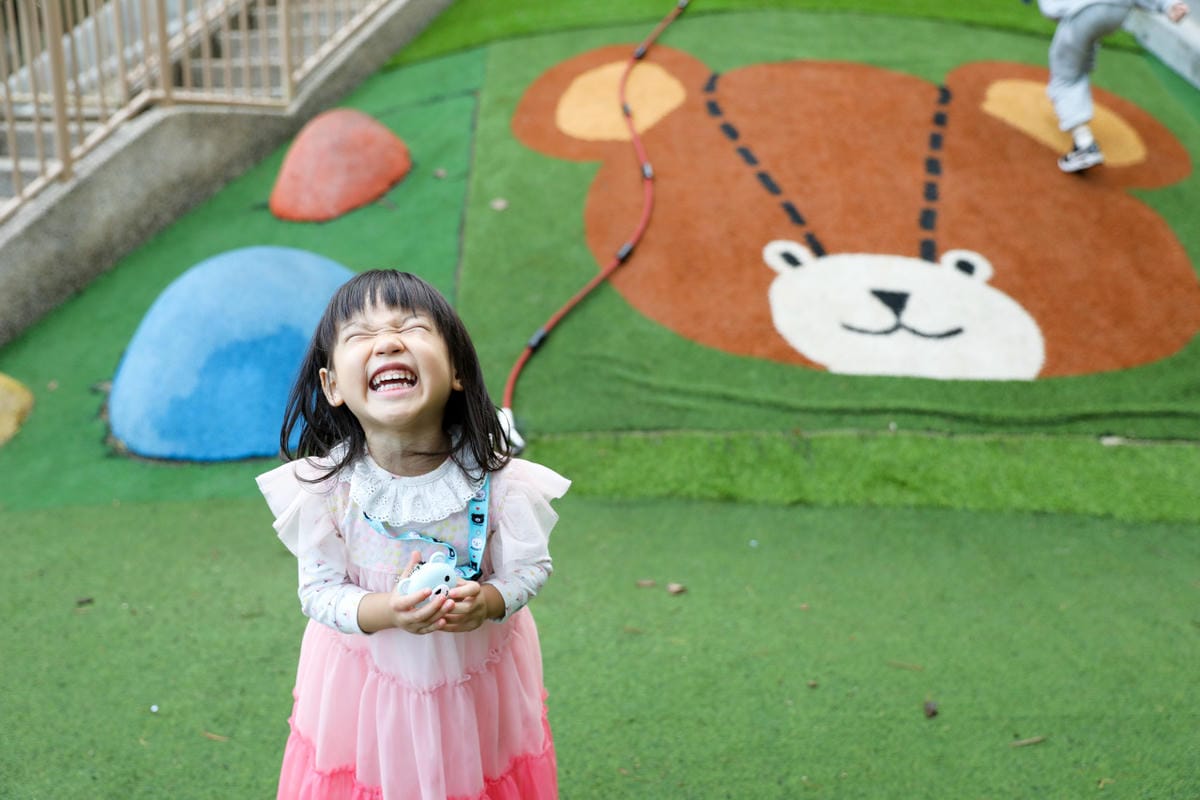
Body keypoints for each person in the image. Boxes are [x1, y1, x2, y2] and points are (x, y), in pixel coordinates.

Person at [257, 269, 569, 799]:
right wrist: (389, 612)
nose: (388, 341)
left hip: (476, 685)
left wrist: (490, 600)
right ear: (332, 385)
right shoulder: (324, 490)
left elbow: (531, 570)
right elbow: (318, 592)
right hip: (365, 690)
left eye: (412, 327)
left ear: (457, 372)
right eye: (359, 335)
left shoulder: (498, 481)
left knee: (477, 776)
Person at [1038, 0, 1190, 172]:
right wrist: (1167, 5)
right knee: (1077, 65)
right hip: (1118, 12)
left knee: (1064, 77)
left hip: (1085, 12)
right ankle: (1082, 136)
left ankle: (1084, 144)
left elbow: (1051, 10)